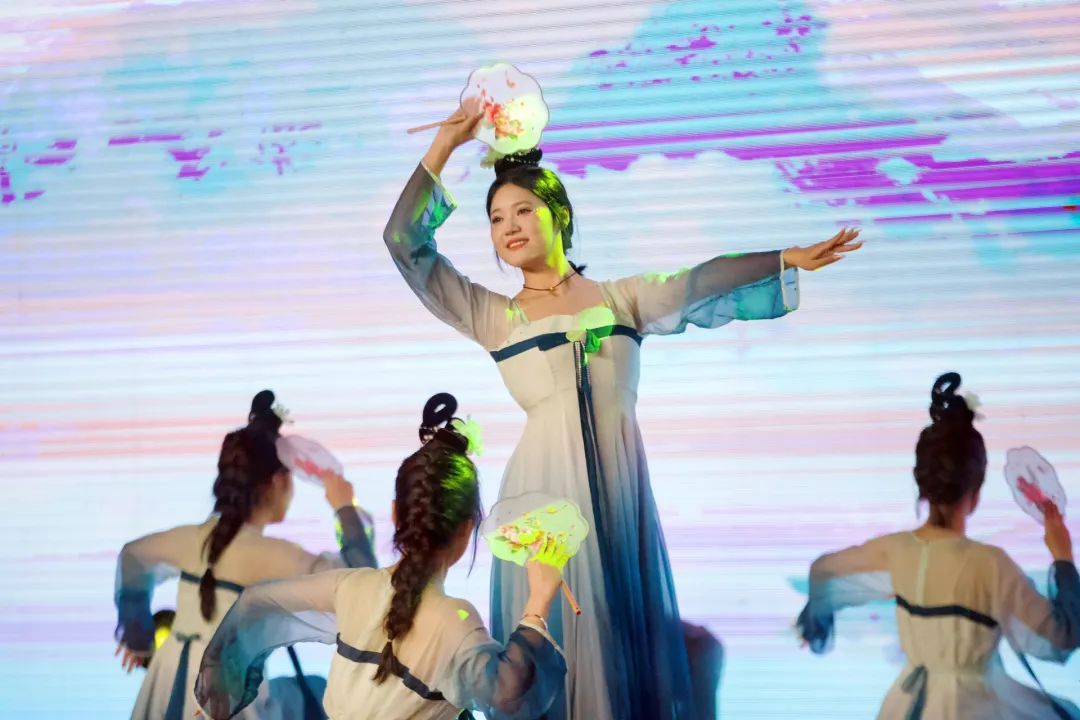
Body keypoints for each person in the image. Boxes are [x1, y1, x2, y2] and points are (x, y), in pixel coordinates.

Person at [382, 104, 862, 719]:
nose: (509, 226)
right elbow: (405, 242)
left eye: (523, 210)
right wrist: (447, 142)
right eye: (497, 218)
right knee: (561, 639)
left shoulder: (623, 299)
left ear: (559, 215)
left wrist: (784, 259)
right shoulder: (495, 316)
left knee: (622, 648)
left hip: (620, 492)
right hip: (545, 498)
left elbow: (700, 282)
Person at [195, 393, 568, 720]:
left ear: (395, 513)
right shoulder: (454, 620)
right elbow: (508, 694)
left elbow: (256, 602)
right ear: (467, 528)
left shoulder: (350, 586)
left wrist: (217, 695)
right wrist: (538, 601)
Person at [797, 372, 1080, 719]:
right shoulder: (990, 565)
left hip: (908, 706)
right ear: (975, 491)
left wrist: (815, 626)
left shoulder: (895, 552)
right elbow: (1057, 639)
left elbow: (824, 573)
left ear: (923, 484)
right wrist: (1063, 557)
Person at [114, 390, 376, 720]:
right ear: (279, 481)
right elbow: (363, 586)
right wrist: (344, 508)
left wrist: (137, 637)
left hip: (168, 684)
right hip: (227, 697)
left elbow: (132, 556)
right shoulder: (277, 557)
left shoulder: (189, 539)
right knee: (317, 694)